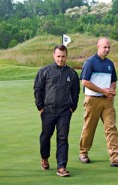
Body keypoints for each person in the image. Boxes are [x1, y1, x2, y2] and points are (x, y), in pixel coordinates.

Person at [79, 37, 118, 167]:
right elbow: (85, 82)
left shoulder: (110, 64)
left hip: (107, 101)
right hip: (92, 100)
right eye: (104, 47)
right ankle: (83, 152)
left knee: (111, 127)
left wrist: (111, 92)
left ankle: (115, 156)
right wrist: (103, 91)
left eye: (109, 47)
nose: (107, 50)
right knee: (89, 127)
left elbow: (113, 80)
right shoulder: (90, 62)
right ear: (98, 46)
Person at [34, 45, 80, 177]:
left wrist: (73, 107)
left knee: (63, 137)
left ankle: (61, 166)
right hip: (48, 110)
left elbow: (75, 92)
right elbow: (38, 89)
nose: (60, 59)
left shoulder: (71, 73)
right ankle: (44, 157)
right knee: (46, 136)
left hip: (65, 111)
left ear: (66, 56)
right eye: (58, 56)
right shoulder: (45, 71)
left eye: (63, 56)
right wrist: (40, 107)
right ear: (54, 56)